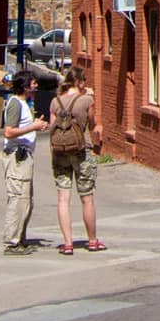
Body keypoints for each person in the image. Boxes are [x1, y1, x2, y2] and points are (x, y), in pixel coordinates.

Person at [51, 65, 107, 255]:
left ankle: (67, 243)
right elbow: (92, 124)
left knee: (63, 198)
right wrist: (90, 97)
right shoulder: (86, 100)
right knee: (87, 198)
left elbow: (52, 128)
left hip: (59, 152)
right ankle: (92, 240)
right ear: (79, 82)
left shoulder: (55, 102)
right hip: (81, 151)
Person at [1, 72, 47, 255]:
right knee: (18, 198)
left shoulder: (24, 104)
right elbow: (9, 132)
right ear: (26, 86)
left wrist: (35, 125)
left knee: (26, 200)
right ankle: (12, 242)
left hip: (24, 156)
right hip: (16, 158)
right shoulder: (15, 104)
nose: (36, 86)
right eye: (34, 83)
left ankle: (20, 238)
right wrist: (33, 127)